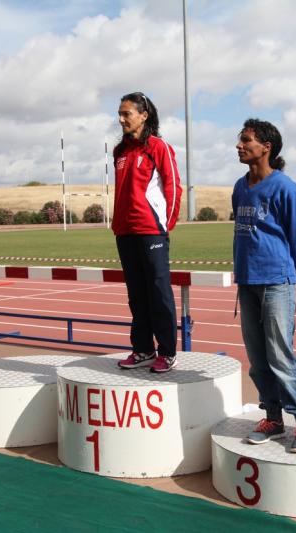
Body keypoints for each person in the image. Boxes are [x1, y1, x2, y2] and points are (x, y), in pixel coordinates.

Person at [232, 118, 296, 453]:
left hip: (277, 281)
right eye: (240, 139)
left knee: (280, 354)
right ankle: (272, 416)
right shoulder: (240, 187)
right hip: (247, 281)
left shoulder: (285, 187)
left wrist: (289, 273)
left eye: (247, 140)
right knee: (257, 357)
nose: (239, 145)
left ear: (266, 147)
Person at [113, 92, 182, 373]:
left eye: (126, 113)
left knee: (158, 291)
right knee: (136, 294)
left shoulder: (158, 147)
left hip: (151, 230)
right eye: (119, 114)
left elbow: (173, 186)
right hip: (124, 232)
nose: (121, 119)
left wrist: (166, 224)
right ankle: (142, 349)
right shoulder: (120, 152)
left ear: (144, 115)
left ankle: (167, 351)